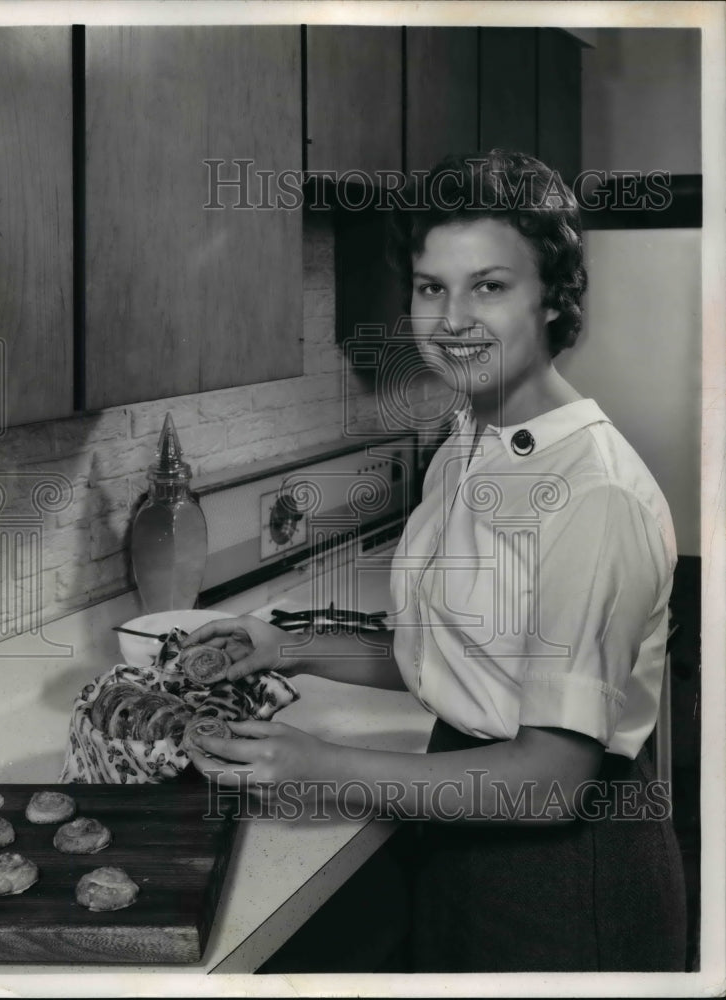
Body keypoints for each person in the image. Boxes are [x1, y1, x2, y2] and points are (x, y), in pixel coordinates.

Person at [184, 151, 688, 972]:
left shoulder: (593, 494)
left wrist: (321, 767)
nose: (451, 319)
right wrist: (289, 644)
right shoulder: (468, 445)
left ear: (554, 300)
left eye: (488, 286)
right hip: (461, 822)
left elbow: (548, 779)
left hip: (564, 869)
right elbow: (461, 659)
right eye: (430, 287)